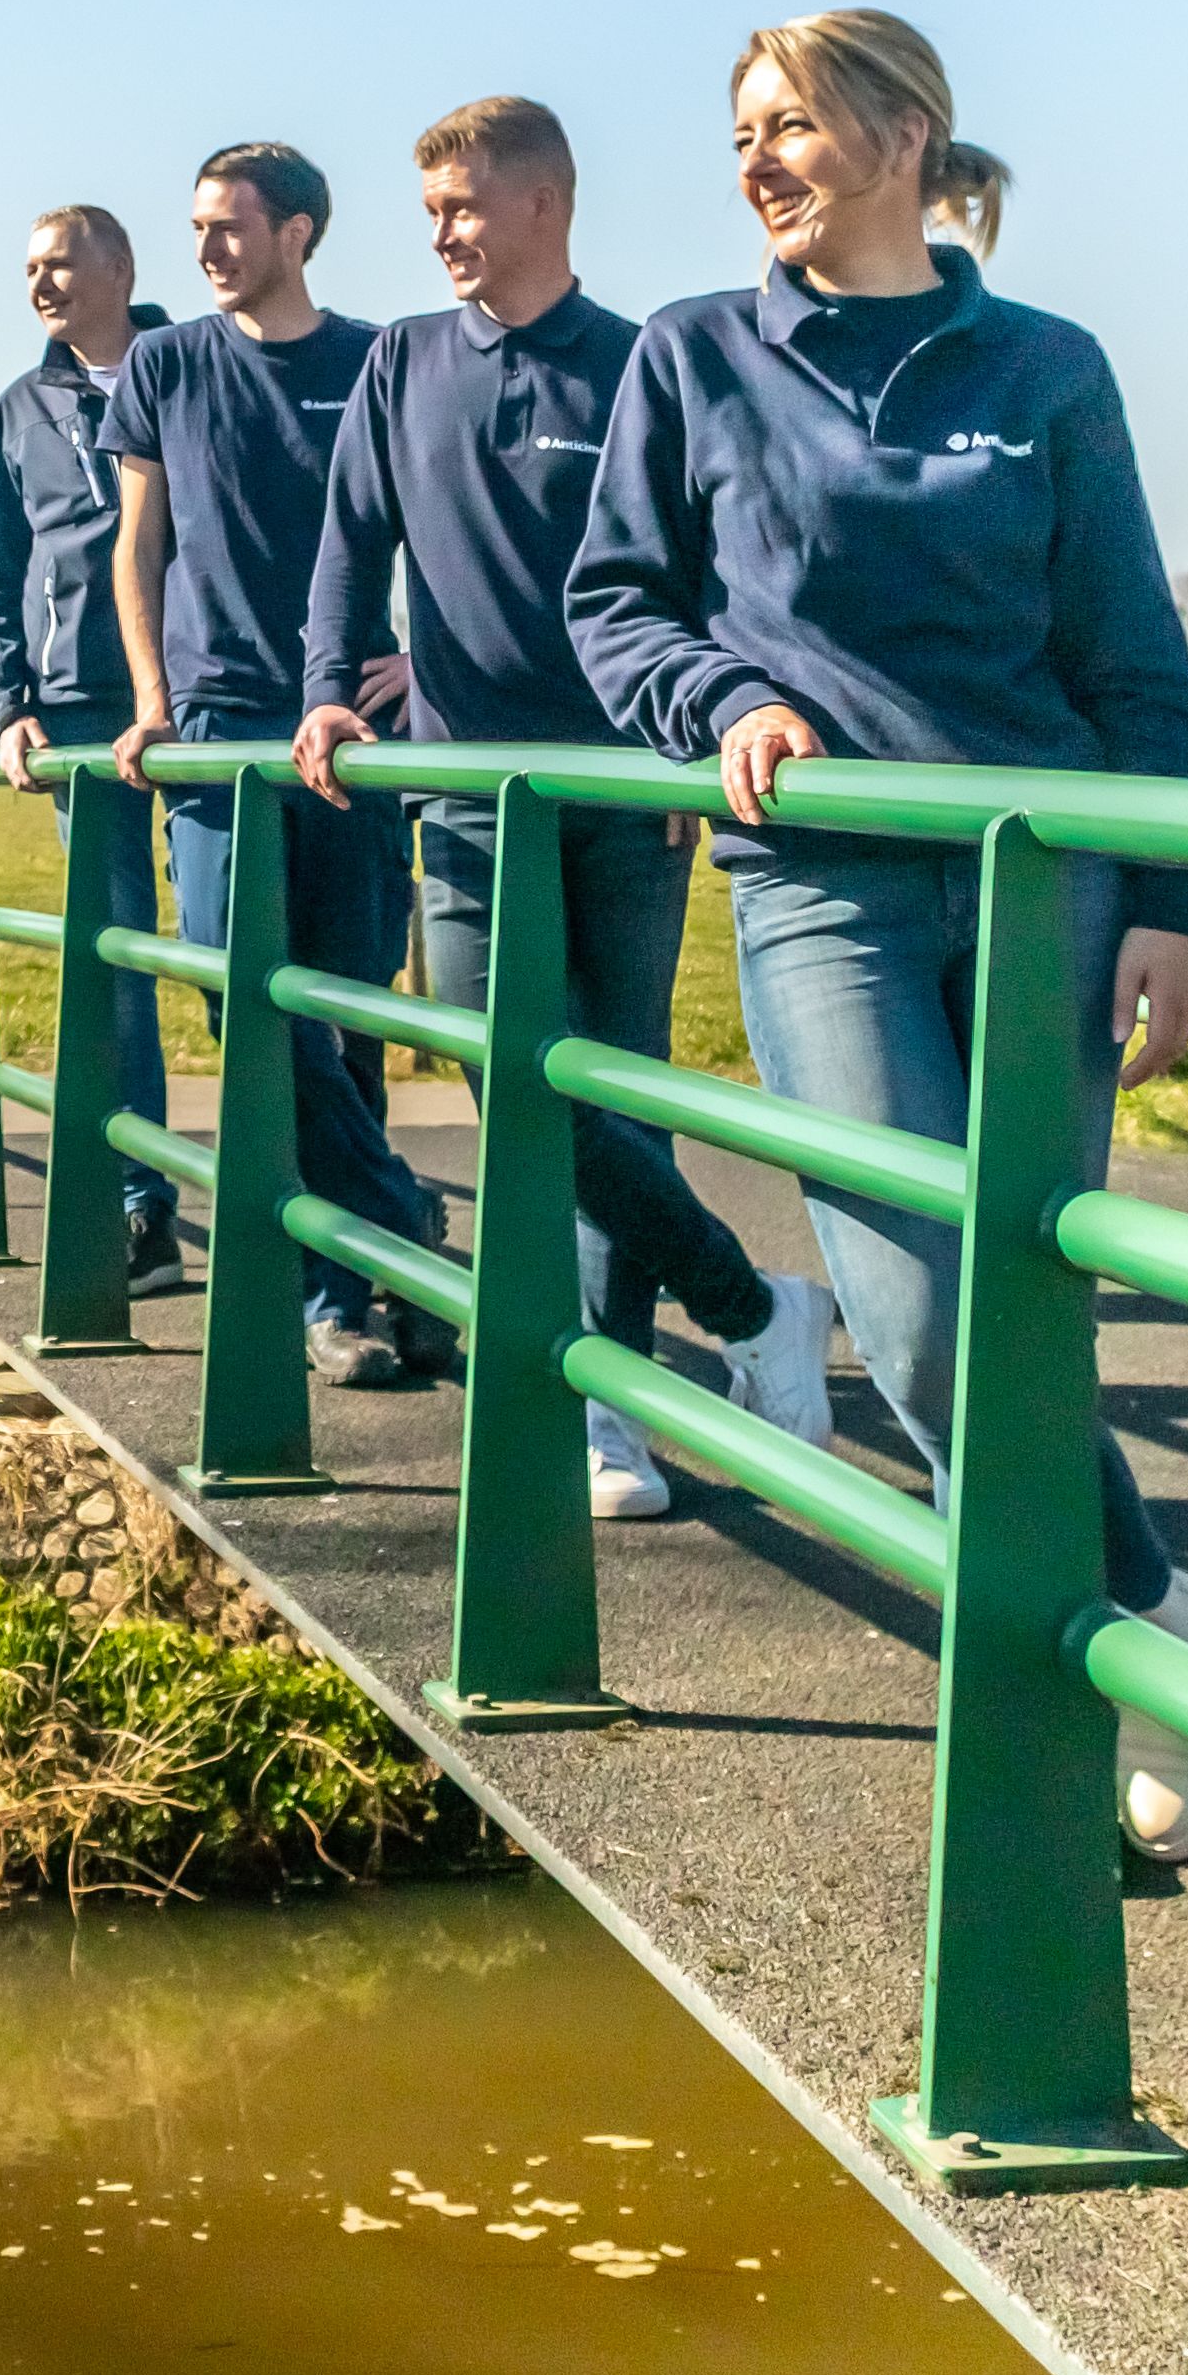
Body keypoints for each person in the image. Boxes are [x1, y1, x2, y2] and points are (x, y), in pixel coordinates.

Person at [563, 9, 1188, 1858]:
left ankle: (1108, 1663)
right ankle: (1151, 1624)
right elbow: (615, 605)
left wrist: (1171, 904)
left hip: (1049, 882)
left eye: (787, 122)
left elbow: (1128, 655)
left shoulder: (1042, 366)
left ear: (902, 133)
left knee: (1027, 1290)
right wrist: (716, 699)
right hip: (823, 885)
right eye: (740, 135)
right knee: (918, 1306)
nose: (756, 160)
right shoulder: (692, 359)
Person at [287, 96, 833, 1518]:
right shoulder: (403, 365)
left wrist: (686, 736)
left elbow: (711, 575)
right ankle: (753, 1303)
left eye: (463, 209)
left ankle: (616, 1419)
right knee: (504, 1071)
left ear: (546, 204)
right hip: (468, 800)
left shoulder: (641, 362)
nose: (445, 239)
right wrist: (327, 691)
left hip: (625, 800)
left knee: (619, 1095)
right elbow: (350, 545)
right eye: (431, 220)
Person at [93, 142, 458, 1388]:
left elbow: (442, 527)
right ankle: (400, 1223)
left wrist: (426, 660)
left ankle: (356, 1297)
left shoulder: (377, 361)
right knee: (246, 999)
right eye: (197, 226)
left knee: (349, 1015)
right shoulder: (164, 364)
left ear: (298, 231)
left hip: (349, 742)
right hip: (215, 732)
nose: (206, 249)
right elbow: (136, 550)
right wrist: (148, 700)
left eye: (231, 227)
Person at [0, 208, 187, 1284]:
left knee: (229, 950)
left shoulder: (198, 369)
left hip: (201, 698)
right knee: (118, 962)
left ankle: (306, 1190)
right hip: (75, 712)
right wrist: (7, 702)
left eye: (58, 262)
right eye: (28, 270)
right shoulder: (20, 411)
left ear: (119, 267)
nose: (41, 283)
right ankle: (145, 1203)